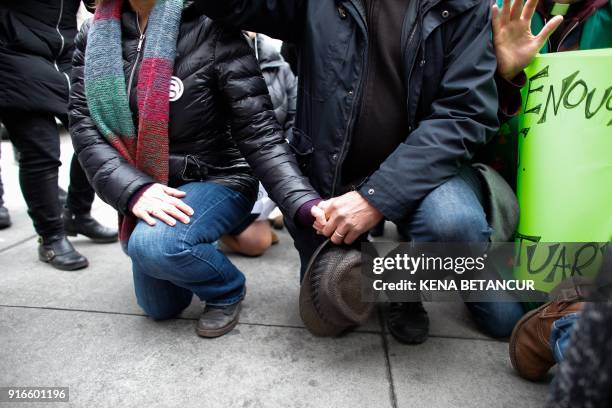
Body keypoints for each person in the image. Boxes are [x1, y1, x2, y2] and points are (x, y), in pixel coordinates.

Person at [196, 0, 526, 343]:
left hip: (425, 172)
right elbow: (233, 8)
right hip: (329, 169)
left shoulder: (466, 6)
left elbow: (464, 113)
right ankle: (372, 265)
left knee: (459, 233)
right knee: (330, 310)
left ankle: (404, 283)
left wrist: (375, 200)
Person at [69, 0, 320, 338]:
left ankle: (226, 289)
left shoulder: (210, 25)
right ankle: (187, 243)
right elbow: (85, 127)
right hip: (148, 184)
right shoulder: (93, 33)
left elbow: (260, 133)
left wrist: (302, 203)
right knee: (160, 308)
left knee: (155, 245)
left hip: (219, 175)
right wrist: (134, 190)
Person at [486, 0, 611, 379]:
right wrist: (503, 78)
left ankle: (573, 319)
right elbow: (458, 126)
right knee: (504, 315)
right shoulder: (497, 10)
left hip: (593, 224)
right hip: (505, 198)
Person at [0, 0, 118, 271]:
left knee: (97, 135)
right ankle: (51, 237)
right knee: (40, 149)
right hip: (13, 55)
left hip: (64, 53)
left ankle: (77, 212)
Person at [221, 32, 298, 257]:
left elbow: (295, 116)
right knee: (257, 243)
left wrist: (284, 152)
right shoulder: (217, 54)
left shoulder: (280, 66)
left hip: (271, 162)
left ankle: (264, 216)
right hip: (232, 166)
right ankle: (214, 231)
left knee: (259, 241)